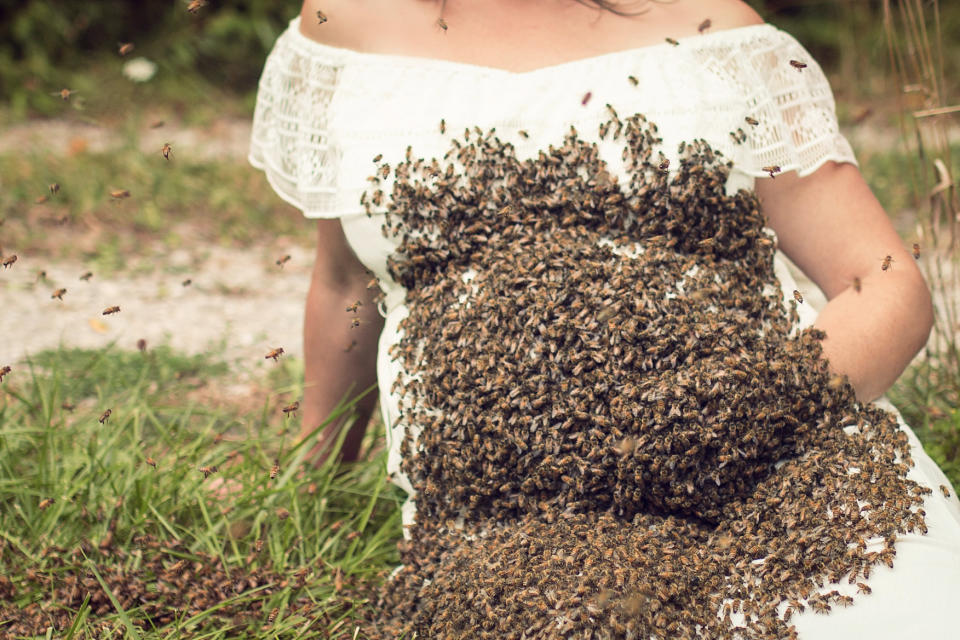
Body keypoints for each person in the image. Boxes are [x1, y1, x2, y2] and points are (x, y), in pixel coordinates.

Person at [247, 0, 960, 636]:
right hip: (502, 526)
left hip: (773, 473)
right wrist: (310, 486)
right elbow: (346, 283)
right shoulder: (344, 25)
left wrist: (739, 413)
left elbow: (885, 282)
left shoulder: (717, 30)